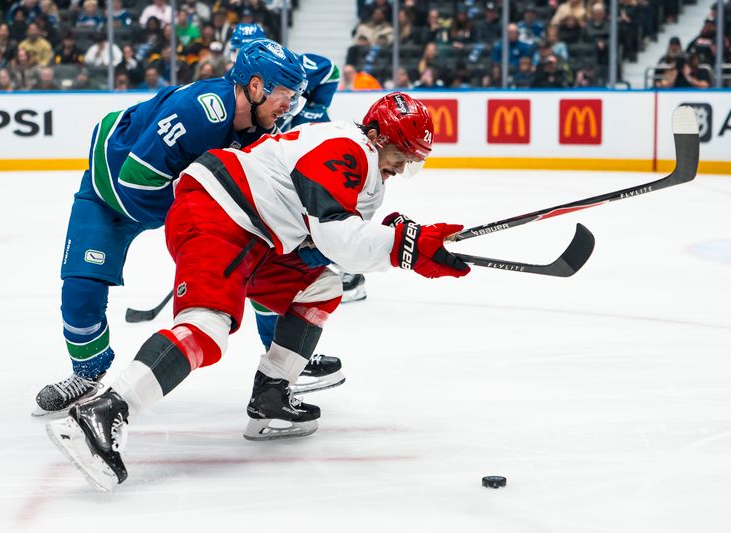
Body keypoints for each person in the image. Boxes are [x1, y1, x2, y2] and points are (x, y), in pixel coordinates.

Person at [46, 92, 470, 491]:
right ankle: (103, 412)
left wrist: (399, 236)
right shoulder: (346, 146)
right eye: (402, 156)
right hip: (220, 213)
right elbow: (340, 239)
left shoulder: (365, 172)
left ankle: (270, 398)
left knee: (320, 285)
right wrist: (406, 247)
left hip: (257, 234)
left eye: (413, 162)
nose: (401, 168)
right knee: (207, 329)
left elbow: (330, 245)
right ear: (377, 136)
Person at [31, 39, 326, 416]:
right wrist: (204, 204)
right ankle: (87, 372)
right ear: (255, 86)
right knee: (81, 288)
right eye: (285, 95)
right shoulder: (200, 112)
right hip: (110, 194)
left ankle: (278, 360)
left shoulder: (261, 134)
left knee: (259, 262)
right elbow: (135, 181)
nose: (289, 107)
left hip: (171, 197)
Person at [227, 24, 354, 378]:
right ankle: (279, 356)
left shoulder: (290, 64)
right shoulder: (234, 89)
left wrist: (315, 108)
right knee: (268, 272)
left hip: (296, 161)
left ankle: (284, 357)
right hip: (264, 183)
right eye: (238, 46)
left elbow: (328, 70)